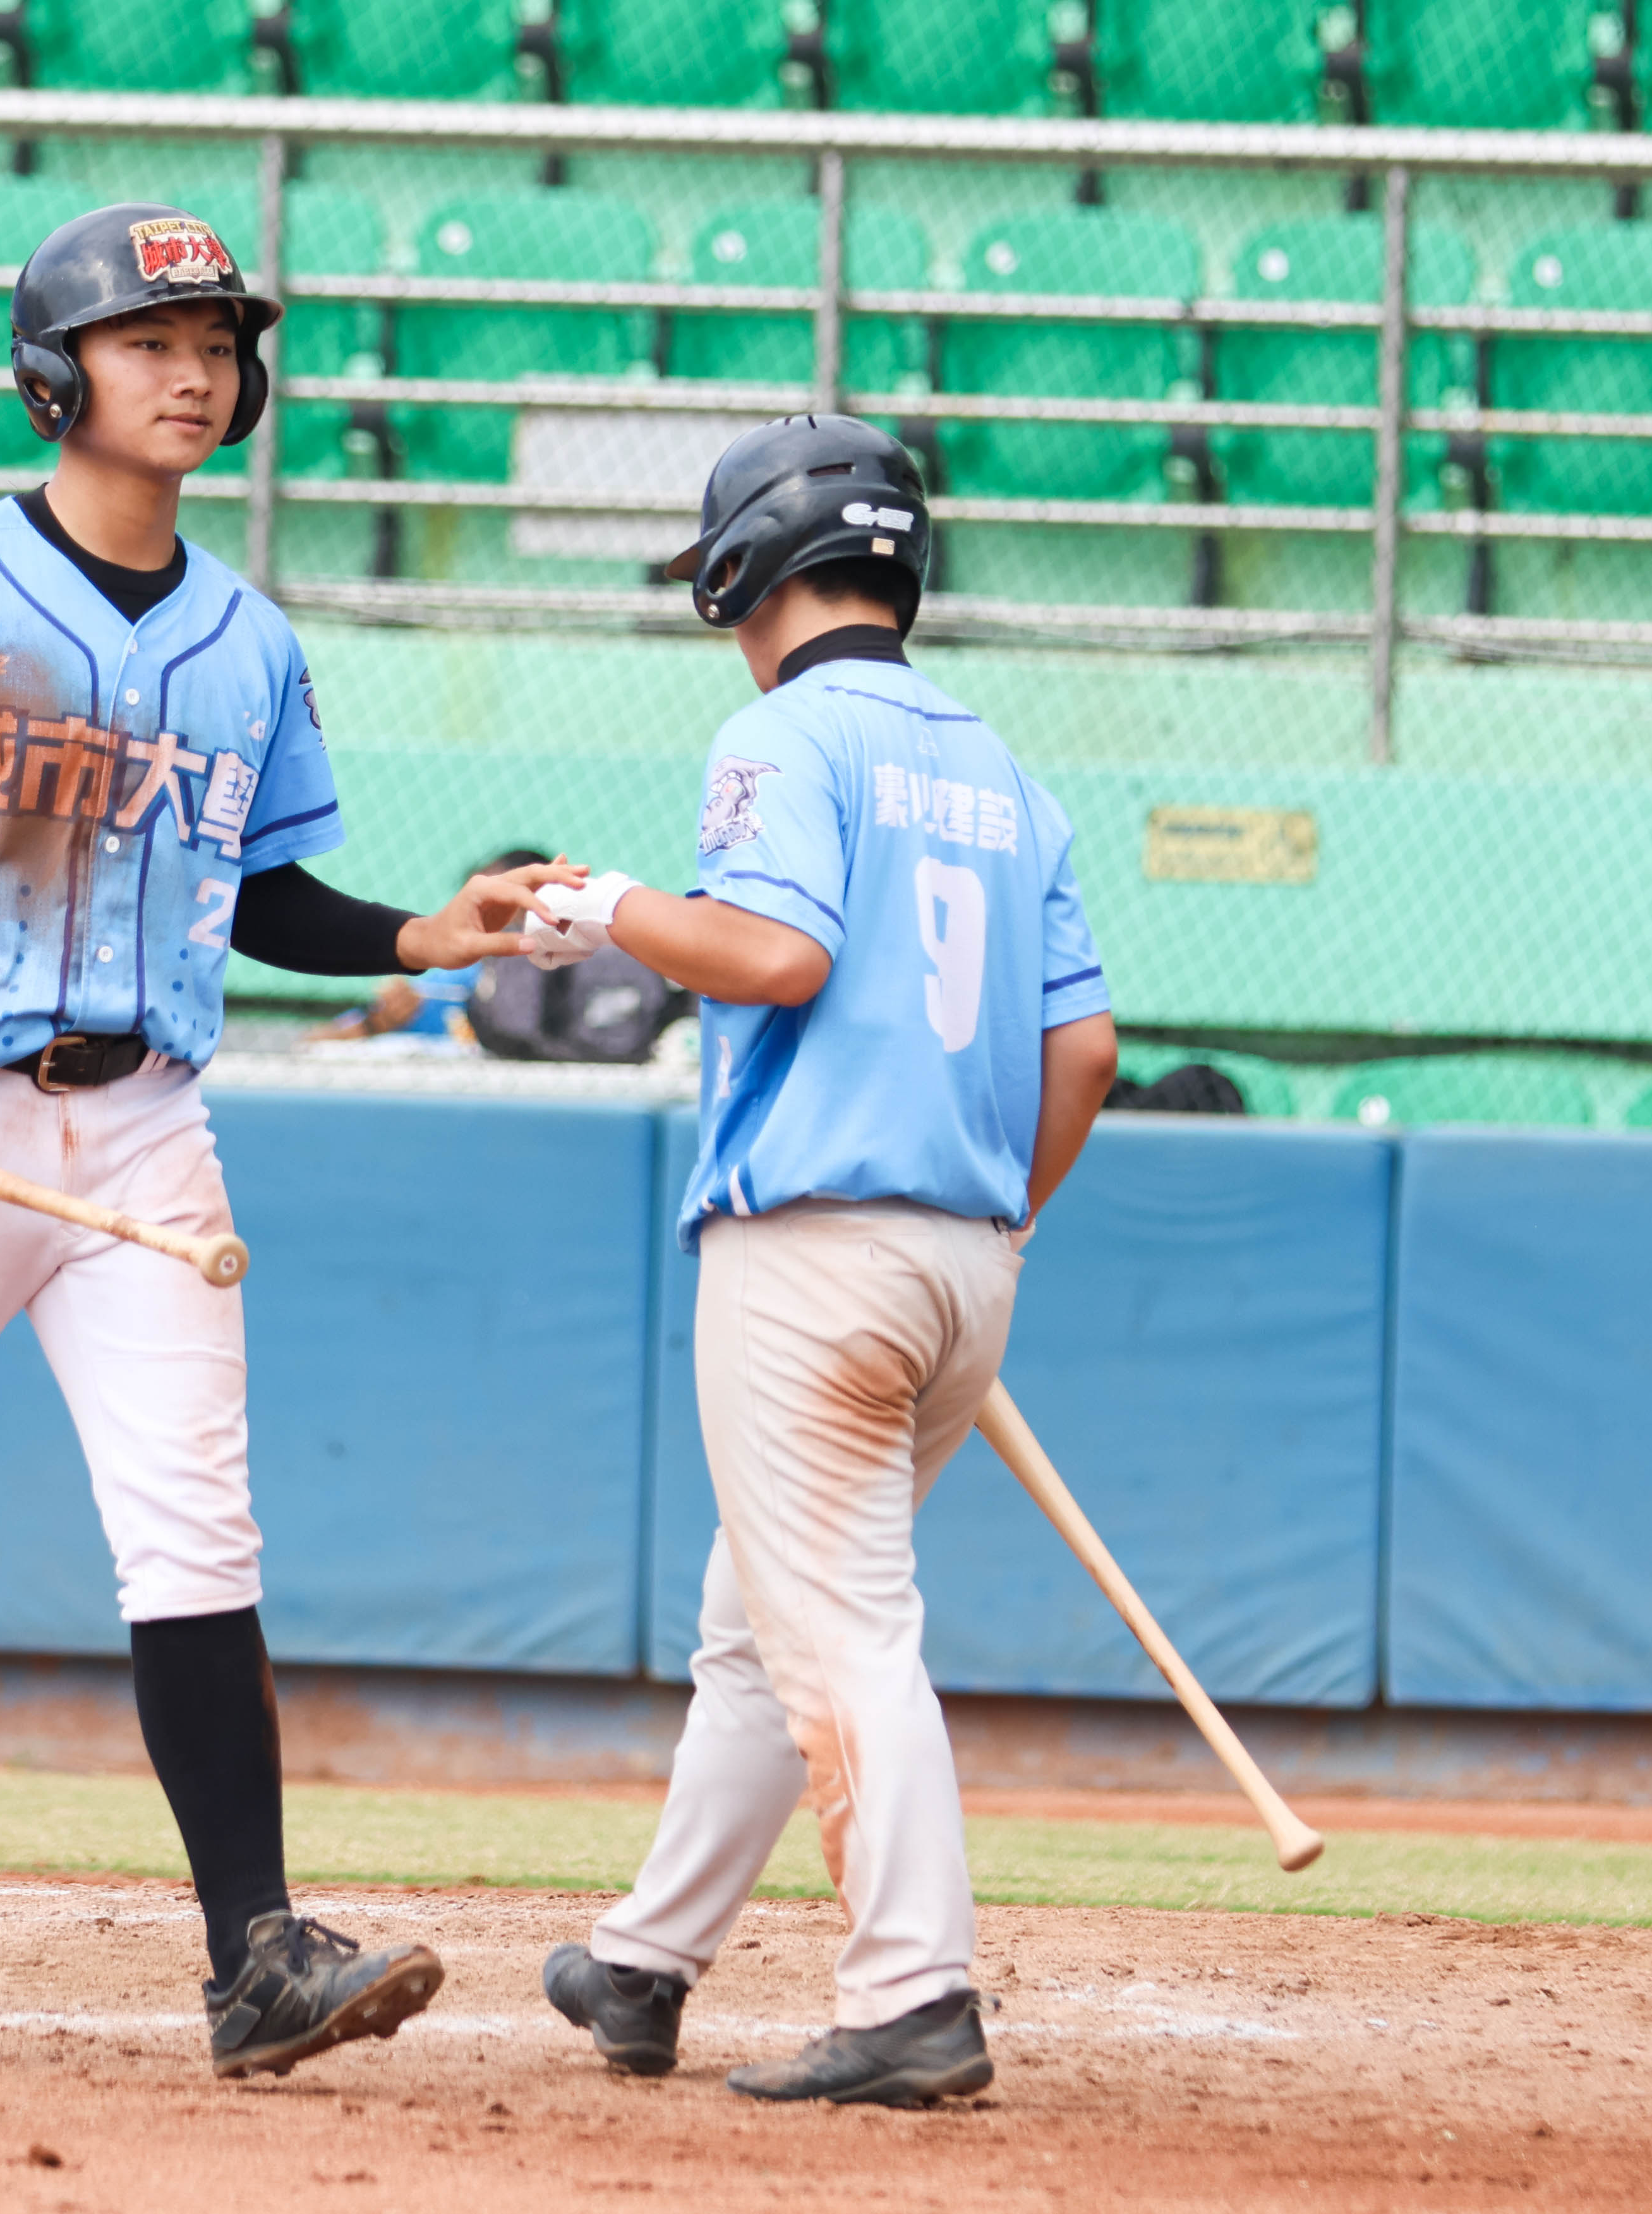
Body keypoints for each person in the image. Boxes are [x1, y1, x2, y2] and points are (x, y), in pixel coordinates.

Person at [0, 200, 574, 2076]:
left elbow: (261, 897)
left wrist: (433, 930)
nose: (195, 369)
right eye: (150, 339)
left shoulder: (246, 641)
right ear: (54, 372)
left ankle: (253, 1953)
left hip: (146, 1126)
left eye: (218, 344)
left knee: (197, 1529)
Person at [516, 415, 1118, 2105]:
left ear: (745, 567)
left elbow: (774, 955)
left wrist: (611, 903)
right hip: (959, 1257)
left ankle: (916, 1995)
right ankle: (643, 1962)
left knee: (838, 1627)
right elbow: (1084, 1059)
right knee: (755, 1626)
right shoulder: (1011, 775)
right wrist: (992, 1223)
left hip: (810, 1251)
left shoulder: (783, 734)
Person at [310, 846, 552, 1051]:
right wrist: (376, 1024)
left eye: (500, 907)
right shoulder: (442, 985)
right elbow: (313, 1042)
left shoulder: (573, 983)